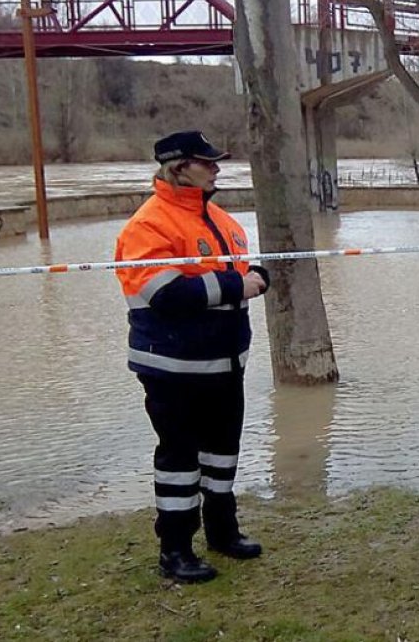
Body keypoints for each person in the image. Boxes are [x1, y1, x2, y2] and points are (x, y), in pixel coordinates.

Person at [115, 131, 269, 584]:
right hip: (172, 369)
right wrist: (237, 286)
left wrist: (257, 277)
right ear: (179, 167)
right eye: (209, 162)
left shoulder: (222, 220)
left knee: (222, 456)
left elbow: (241, 274)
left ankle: (223, 531)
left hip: (226, 364)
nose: (217, 169)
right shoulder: (148, 225)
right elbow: (162, 293)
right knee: (180, 461)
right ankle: (176, 549)